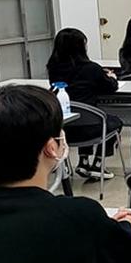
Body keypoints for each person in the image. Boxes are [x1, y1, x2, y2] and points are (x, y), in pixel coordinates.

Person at [0, 85, 131, 263]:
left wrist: (105, 229)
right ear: (51, 147)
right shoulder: (79, 217)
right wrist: (125, 228)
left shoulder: (79, 220)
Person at [47, 28, 121, 180]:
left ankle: (84, 161)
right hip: (91, 128)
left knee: (84, 117)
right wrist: (111, 76)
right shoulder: (91, 68)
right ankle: (98, 164)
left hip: (63, 129)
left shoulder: (53, 67)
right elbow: (110, 87)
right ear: (80, 47)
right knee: (113, 121)